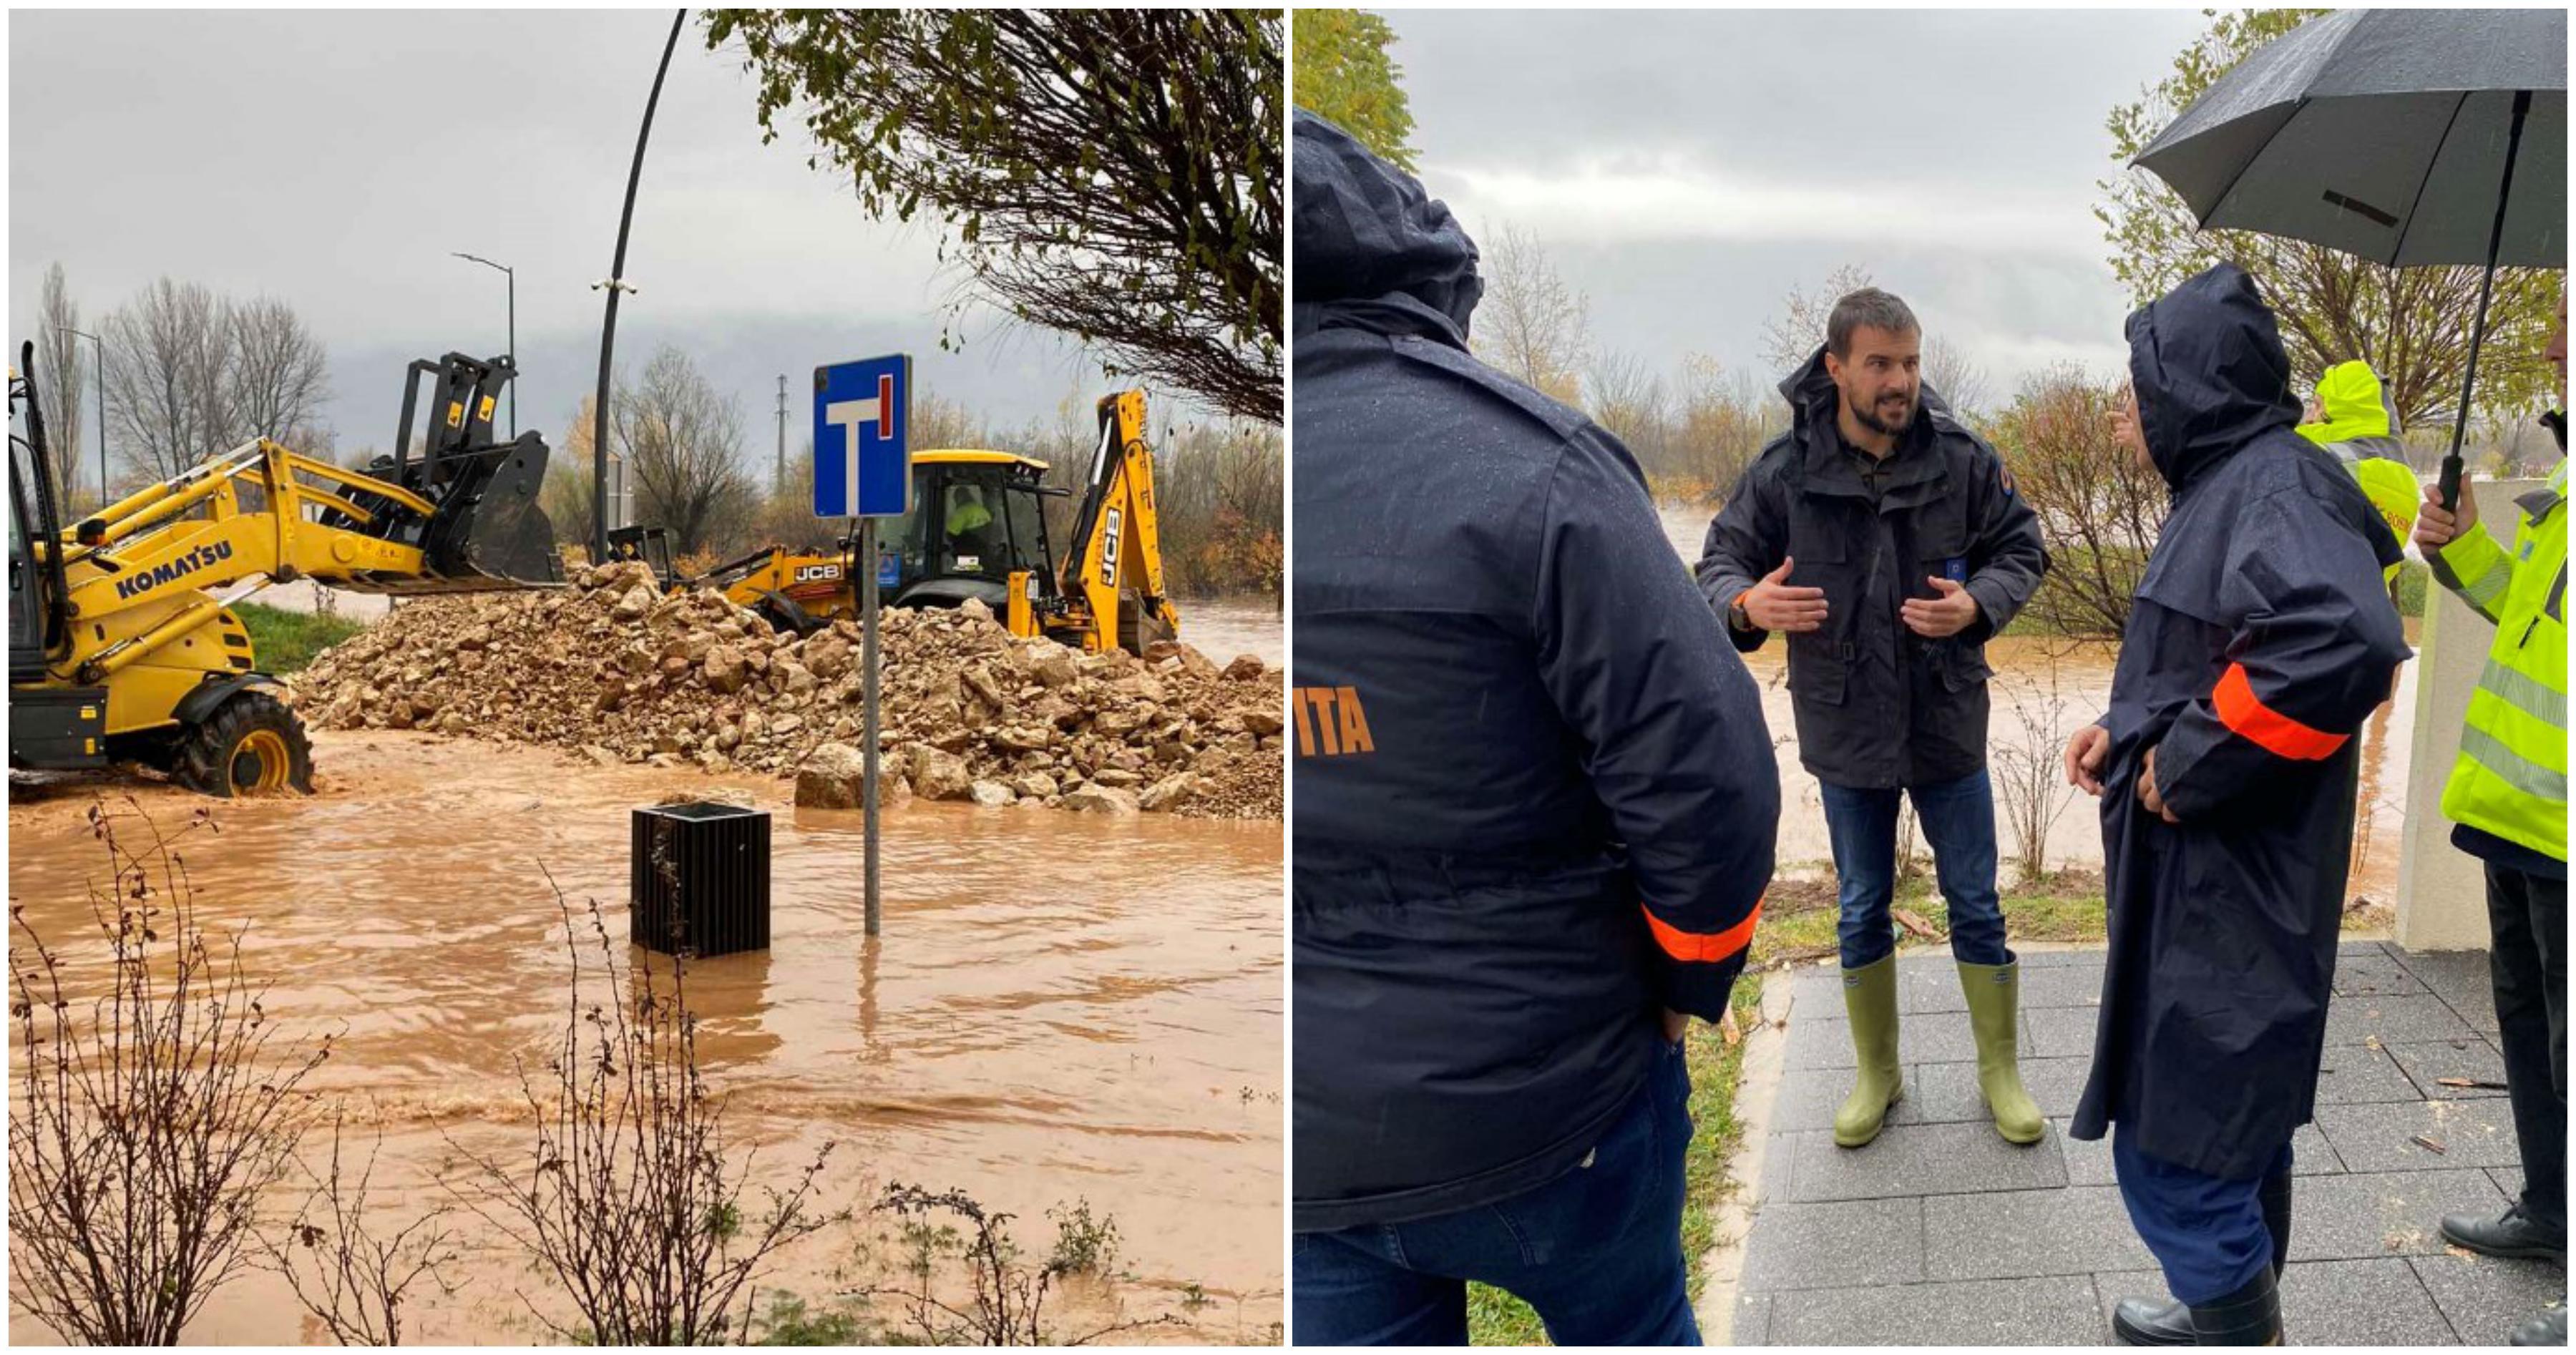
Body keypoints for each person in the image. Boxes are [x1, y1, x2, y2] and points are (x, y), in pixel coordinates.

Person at [1290, 111, 1777, 1346]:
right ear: (1426, 277)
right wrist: (1688, 975)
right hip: (1557, 1103)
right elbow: (1709, 776)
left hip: (1310, 1142)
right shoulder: (1537, 467)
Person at [2064, 264, 2411, 1346]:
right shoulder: (2235, 485)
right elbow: (2220, 651)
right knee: (2234, 1125)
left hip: (2230, 895)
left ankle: (2233, 1323)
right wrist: (2129, 731)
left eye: (2136, 384)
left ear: (2188, 385)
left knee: (2178, 1150)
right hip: (2223, 891)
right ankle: (2229, 1307)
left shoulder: (2267, 487)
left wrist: (2194, 760)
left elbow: (2339, 642)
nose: (2125, 407)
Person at [1698, 287, 2049, 1150]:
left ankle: (1999, 1070)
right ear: (1837, 367)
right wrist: (1747, 605)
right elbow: (1716, 564)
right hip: (1846, 726)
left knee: (1975, 900)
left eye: (1911, 362)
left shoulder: (1964, 458)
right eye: (1880, 363)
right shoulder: (1783, 470)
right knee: (1860, 905)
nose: (1899, 381)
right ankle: (1877, 1074)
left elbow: (2024, 546)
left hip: (1945, 721)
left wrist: (1977, 604)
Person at [2411, 287, 2567, 1347]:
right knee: (2530, 1024)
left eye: (2573, 322)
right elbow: (2529, 615)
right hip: (2520, 818)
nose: (2553, 342)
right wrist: (2460, 549)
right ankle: (2552, 1208)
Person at [2296, 358, 2421, 591]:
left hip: (2304, 611)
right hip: (2368, 612)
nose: (2310, 417)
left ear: (2341, 408)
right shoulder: (2405, 479)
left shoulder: (2318, 458)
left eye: (2317, 405)